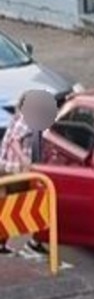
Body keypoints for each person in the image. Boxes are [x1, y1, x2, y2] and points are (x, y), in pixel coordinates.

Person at [0, 91, 47, 255]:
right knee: (22, 204)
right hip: (14, 170)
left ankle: (6, 242)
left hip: (11, 169)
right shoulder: (25, 118)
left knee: (12, 205)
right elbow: (14, 140)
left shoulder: (22, 117)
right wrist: (24, 160)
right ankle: (34, 240)